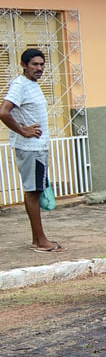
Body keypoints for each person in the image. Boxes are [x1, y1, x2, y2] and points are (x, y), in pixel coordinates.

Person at [1, 48, 63, 253]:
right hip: (30, 149)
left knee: (36, 190)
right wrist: (23, 131)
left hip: (39, 147)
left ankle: (38, 239)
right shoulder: (20, 85)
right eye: (34, 64)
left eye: (42, 64)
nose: (39, 68)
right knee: (33, 192)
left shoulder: (33, 85)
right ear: (24, 65)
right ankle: (40, 241)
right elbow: (4, 112)